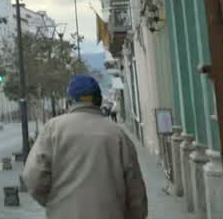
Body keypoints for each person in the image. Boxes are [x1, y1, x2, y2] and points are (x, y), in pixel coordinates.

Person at [21, 75, 147, 219]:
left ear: (70, 101)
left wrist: (54, 203)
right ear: (98, 100)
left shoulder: (53, 129)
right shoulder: (117, 134)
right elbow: (135, 189)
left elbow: (33, 177)